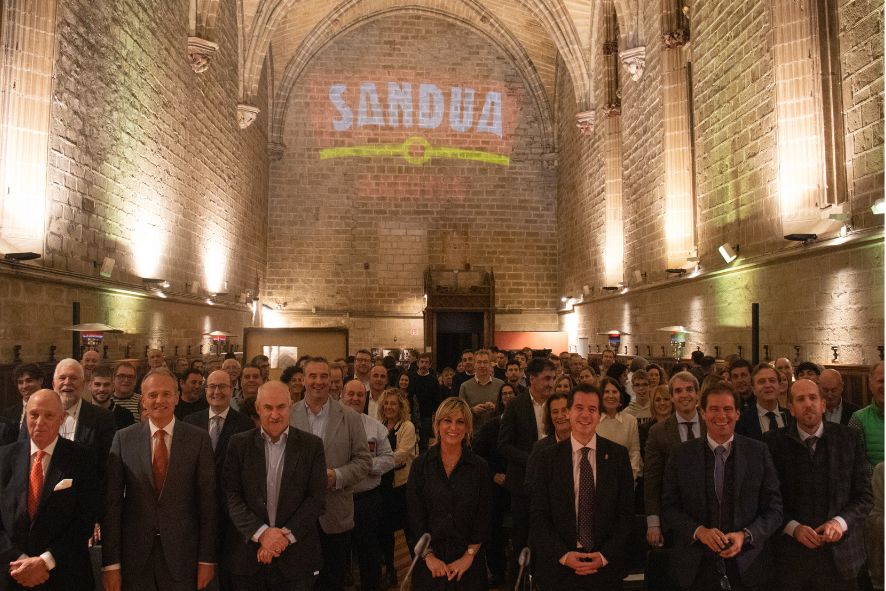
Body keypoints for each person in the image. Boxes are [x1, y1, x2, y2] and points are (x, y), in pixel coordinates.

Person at [102, 369, 217, 591]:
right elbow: (112, 505)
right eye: (152, 395)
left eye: (166, 394)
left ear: (176, 397)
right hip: (135, 557)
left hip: (183, 557)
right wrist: (111, 564)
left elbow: (208, 504)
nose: (159, 400)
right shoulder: (124, 438)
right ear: (143, 400)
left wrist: (206, 559)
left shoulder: (198, 439)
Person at [661, 381, 783, 591]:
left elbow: (775, 510)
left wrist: (745, 535)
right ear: (703, 413)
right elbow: (669, 507)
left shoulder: (758, 452)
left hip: (748, 565)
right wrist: (699, 531)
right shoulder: (681, 454)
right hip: (696, 567)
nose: (721, 416)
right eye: (714, 409)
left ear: (737, 413)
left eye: (728, 409)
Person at [764, 379, 872, 590]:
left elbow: (865, 496)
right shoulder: (772, 443)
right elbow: (767, 500)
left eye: (813, 398)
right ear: (791, 409)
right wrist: (793, 528)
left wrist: (840, 523)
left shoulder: (848, 438)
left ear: (823, 404)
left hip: (840, 557)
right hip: (791, 559)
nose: (808, 404)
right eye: (800, 399)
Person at [223, 381, 327, 591]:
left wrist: (282, 539)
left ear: (291, 407)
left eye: (281, 407)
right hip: (247, 558)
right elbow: (230, 495)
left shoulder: (311, 445)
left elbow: (317, 499)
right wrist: (262, 533)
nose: (275, 415)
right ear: (258, 409)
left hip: (297, 560)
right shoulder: (238, 444)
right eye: (268, 408)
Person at [529, 384, 634, 590]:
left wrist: (604, 556)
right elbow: (538, 515)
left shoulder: (618, 456)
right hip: (559, 568)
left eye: (592, 409)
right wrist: (564, 555)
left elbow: (625, 515)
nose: (585, 414)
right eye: (579, 408)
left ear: (599, 414)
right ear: (568, 412)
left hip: (605, 568)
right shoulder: (546, 458)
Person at [0, 389, 99, 590]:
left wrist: (43, 562)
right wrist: (19, 560)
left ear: (61, 419)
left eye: (49, 415)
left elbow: (84, 521)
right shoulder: (4, 458)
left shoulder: (83, 459)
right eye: (34, 414)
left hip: (64, 575)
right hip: (12, 575)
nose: (39, 422)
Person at [288, 357, 371, 591]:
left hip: (335, 516)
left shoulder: (350, 417)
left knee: (332, 580)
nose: (318, 381)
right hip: (296, 515)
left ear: (333, 381)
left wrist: (337, 476)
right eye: (312, 376)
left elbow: (364, 461)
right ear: (303, 380)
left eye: (324, 376)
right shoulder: (289, 415)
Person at [407, 397, 491, 590]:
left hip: (469, 562)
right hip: (430, 562)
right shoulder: (420, 466)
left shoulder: (480, 467)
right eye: (447, 420)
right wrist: (428, 557)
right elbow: (415, 516)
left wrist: (468, 557)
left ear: (468, 428)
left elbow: (484, 517)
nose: (453, 427)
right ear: (437, 425)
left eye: (460, 421)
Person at [184, 370, 254, 590]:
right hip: (196, 510)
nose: (216, 391)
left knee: (226, 574)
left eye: (222, 387)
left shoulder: (245, 425)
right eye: (212, 386)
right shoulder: (189, 421)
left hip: (230, 514)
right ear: (205, 390)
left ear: (232, 389)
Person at [498, 357, 556, 581]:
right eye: (547, 378)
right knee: (522, 539)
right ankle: (518, 583)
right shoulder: (515, 405)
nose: (551, 383)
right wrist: (534, 459)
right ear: (532, 379)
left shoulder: (558, 405)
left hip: (554, 484)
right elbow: (504, 445)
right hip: (523, 485)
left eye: (553, 378)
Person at [339, 380, 395, 591]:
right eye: (350, 394)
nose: (355, 398)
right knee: (338, 554)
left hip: (366, 500)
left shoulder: (376, 427)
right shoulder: (330, 426)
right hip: (338, 499)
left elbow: (389, 459)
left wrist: (364, 466)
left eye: (359, 395)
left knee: (369, 554)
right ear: (342, 396)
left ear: (366, 398)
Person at [644, 371, 706, 549]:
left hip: (709, 515)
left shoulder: (710, 424)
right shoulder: (658, 432)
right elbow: (652, 479)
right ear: (671, 397)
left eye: (689, 390)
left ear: (698, 394)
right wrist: (653, 522)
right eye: (678, 391)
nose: (684, 395)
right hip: (674, 515)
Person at [472, 382, 517, 586]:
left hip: (519, 488)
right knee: (495, 533)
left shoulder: (524, 426)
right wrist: (493, 476)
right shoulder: (490, 427)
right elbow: (477, 458)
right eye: (504, 394)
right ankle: (498, 574)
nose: (508, 397)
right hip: (496, 489)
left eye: (511, 394)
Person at [376, 388, 417, 589]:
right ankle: (391, 571)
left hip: (402, 487)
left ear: (400, 406)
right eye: (387, 403)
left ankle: (417, 572)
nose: (389, 407)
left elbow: (401, 455)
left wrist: (376, 463)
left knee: (410, 531)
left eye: (393, 403)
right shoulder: (379, 426)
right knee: (386, 533)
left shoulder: (406, 427)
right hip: (383, 487)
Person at [52, 358, 116, 485]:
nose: (67, 382)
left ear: (83, 385)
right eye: (62, 378)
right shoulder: (38, 415)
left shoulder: (103, 418)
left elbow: (107, 467)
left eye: (73, 378)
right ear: (53, 384)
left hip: (84, 496)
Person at [596, 377, 642, 481]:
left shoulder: (631, 421)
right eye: (606, 392)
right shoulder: (593, 421)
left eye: (614, 392)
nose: (611, 395)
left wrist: (630, 477)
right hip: (598, 479)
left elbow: (634, 452)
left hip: (625, 478)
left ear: (620, 395)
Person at [735, 363, 793, 440]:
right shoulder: (742, 421)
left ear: (779, 386)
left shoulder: (791, 417)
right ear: (753, 389)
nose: (768, 385)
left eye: (772, 380)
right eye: (762, 382)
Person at [849, 361, 884, 470]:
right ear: (871, 385)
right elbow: (856, 460)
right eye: (881, 381)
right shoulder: (858, 419)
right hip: (872, 486)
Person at [458, 349, 504, 433]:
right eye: (479, 362)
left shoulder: (500, 384)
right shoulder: (465, 386)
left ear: (490, 365)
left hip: (496, 432)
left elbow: (507, 409)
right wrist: (472, 410)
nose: (482, 365)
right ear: (474, 365)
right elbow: (460, 412)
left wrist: (495, 407)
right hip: (473, 433)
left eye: (485, 362)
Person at [407, 352, 440, 452]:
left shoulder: (434, 380)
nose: (424, 365)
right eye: (422, 362)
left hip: (427, 416)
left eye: (426, 363)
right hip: (411, 415)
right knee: (410, 441)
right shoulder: (411, 378)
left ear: (430, 365)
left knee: (424, 443)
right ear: (418, 363)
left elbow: (437, 399)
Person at [2, 363, 45, 438]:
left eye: (29, 381)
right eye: (20, 382)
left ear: (40, 380)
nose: (24, 386)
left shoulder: (52, 408)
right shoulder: (8, 414)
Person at [89, 366, 136, 431]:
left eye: (106, 385)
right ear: (90, 386)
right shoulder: (82, 414)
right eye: (97, 384)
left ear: (113, 387)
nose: (102, 389)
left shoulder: (126, 415)